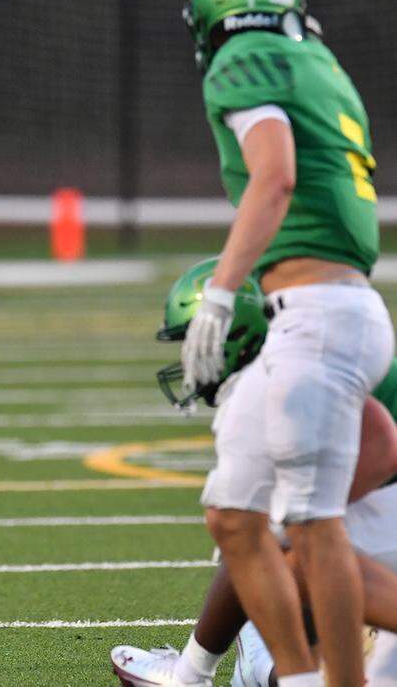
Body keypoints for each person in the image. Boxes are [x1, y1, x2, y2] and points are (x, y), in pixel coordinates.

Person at [171, 0, 394, 686]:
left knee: (309, 523)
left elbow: (275, 176)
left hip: (316, 310)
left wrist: (224, 288)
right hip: (335, 304)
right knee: (235, 510)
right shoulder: (321, 63)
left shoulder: (245, 57)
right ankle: (288, 677)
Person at [112, 259, 397, 686]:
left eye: (193, 339)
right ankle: (265, 670)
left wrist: (306, 517)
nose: (187, 359)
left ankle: (196, 674)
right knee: (271, 534)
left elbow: (382, 442)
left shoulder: (299, 365)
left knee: (276, 541)